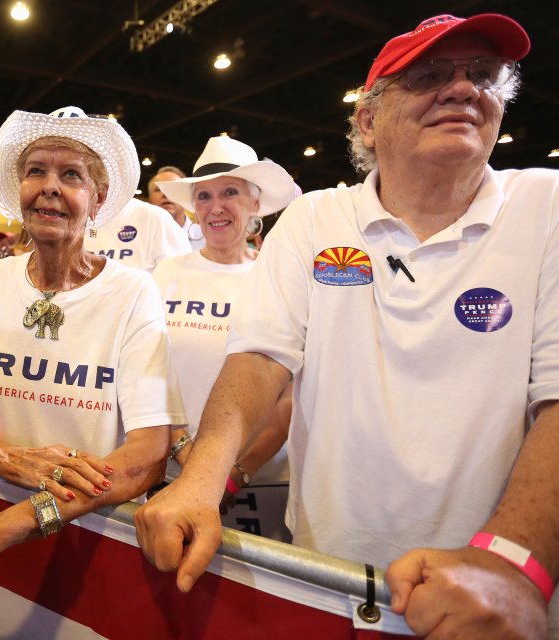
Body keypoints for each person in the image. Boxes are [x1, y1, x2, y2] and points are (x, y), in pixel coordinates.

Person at [135, 13, 558, 638]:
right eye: (430, 76)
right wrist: (201, 481)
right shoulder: (315, 218)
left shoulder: (547, 208)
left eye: (483, 75)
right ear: (367, 119)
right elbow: (258, 361)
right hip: (325, 571)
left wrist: (514, 563)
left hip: (491, 600)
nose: (465, 89)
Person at [0, 106, 184, 615]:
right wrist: (2, 454)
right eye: (35, 171)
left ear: (96, 202)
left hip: (81, 534)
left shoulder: (132, 291)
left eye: (71, 175)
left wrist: (8, 526)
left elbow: (147, 454)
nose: (49, 186)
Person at [152, 136, 297, 539]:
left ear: (255, 204)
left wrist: (231, 475)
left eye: (230, 192)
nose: (215, 207)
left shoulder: (280, 279)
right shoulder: (166, 275)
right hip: (172, 470)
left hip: (260, 479)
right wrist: (188, 455)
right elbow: (149, 372)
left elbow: (291, 394)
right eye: (204, 196)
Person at [84, 168, 191, 272]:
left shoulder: (152, 217)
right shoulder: (79, 220)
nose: (165, 194)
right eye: (158, 189)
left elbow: (181, 277)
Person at [148, 165, 204, 250]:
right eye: (159, 189)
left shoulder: (207, 238)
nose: (165, 194)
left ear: (187, 196)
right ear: (150, 199)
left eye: (173, 189)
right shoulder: (137, 236)